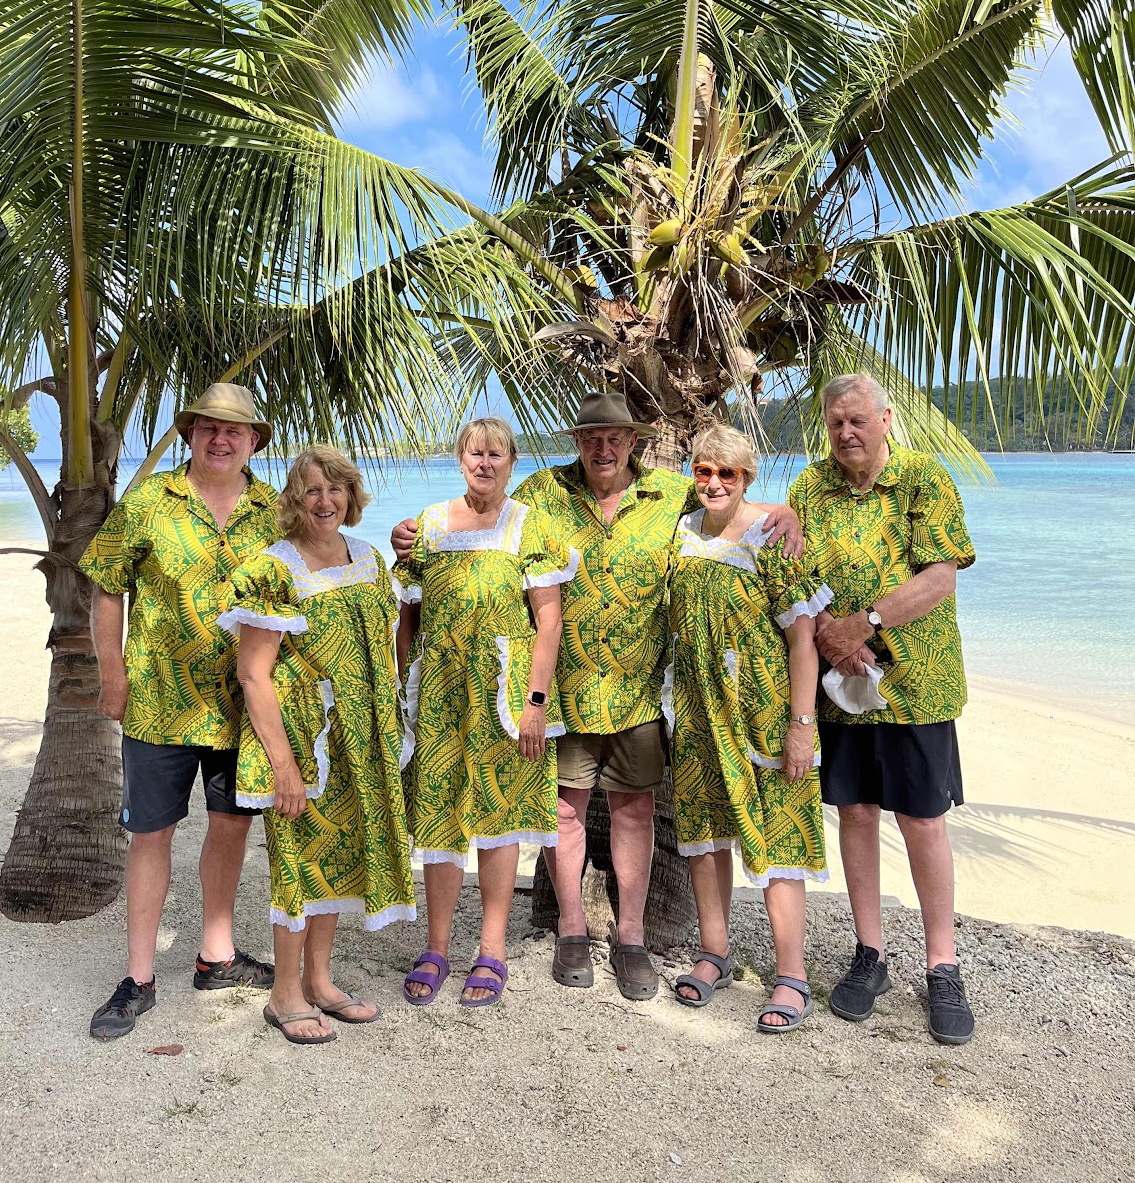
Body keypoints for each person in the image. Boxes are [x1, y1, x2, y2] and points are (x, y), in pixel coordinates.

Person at [392, 393, 802, 1001]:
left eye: (614, 438)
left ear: (633, 441)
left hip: (640, 690)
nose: (602, 448)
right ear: (577, 443)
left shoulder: (671, 494)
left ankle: (631, 937)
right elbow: (482, 514)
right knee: (564, 811)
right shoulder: (544, 492)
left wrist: (784, 510)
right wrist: (406, 532)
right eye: (590, 438)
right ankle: (571, 930)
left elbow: (730, 503)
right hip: (563, 689)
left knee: (635, 809)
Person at [80, 383, 280, 1041]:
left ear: (253, 441)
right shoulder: (148, 503)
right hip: (157, 703)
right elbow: (107, 587)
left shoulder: (274, 511)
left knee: (230, 829)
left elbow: (322, 564)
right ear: (190, 433)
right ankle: (137, 978)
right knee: (151, 834)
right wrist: (112, 673)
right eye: (208, 428)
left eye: (234, 430)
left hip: (243, 708)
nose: (220, 439)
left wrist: (401, 545)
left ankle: (216, 957)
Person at [790, 374, 977, 1045]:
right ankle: (870, 954)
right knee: (857, 813)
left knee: (922, 820)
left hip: (915, 683)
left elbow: (940, 576)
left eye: (857, 420)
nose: (846, 432)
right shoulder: (810, 487)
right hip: (842, 685)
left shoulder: (923, 479)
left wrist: (863, 624)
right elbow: (794, 574)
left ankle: (942, 965)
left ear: (886, 419)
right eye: (835, 422)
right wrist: (829, 634)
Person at [217, 445, 415, 1045]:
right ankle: (284, 994)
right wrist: (284, 766)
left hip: (361, 736)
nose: (325, 501)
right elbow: (254, 675)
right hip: (304, 742)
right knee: (299, 865)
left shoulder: (368, 557)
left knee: (339, 858)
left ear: (351, 496)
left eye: (336, 489)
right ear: (294, 500)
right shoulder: (273, 569)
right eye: (312, 490)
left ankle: (320, 982)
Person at [395, 417, 576, 1009]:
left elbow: (548, 622)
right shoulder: (428, 526)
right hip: (440, 692)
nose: (485, 463)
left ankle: (491, 948)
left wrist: (536, 703)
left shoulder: (531, 525)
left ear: (512, 462)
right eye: (475, 453)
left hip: (505, 692)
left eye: (496, 454)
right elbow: (409, 619)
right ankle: (437, 945)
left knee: (500, 817)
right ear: (460, 459)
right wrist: (400, 690)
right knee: (439, 816)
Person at [664, 426, 831, 1032]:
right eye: (703, 471)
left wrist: (801, 725)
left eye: (727, 474)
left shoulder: (770, 537)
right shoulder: (682, 531)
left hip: (762, 710)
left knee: (778, 835)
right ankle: (715, 954)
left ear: (746, 478)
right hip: (696, 708)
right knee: (705, 832)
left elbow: (804, 641)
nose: (713, 483)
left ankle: (791, 976)